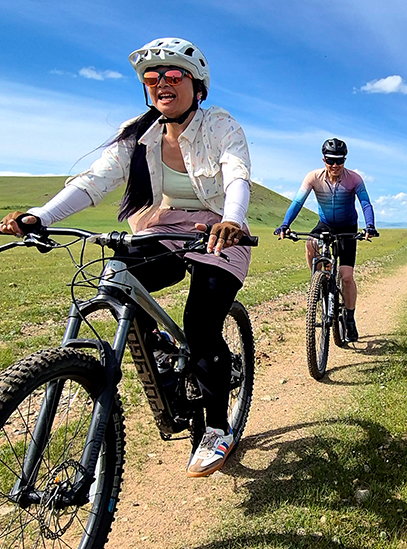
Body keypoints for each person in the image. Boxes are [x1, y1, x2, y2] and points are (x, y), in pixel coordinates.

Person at [0, 37, 253, 477]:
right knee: (117, 275)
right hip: (165, 225)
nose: (162, 84)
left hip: (218, 234)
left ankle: (216, 427)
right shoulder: (137, 132)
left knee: (200, 322)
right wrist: (39, 216)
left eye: (174, 76)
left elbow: (237, 175)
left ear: (198, 86)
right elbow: (94, 181)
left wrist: (231, 219)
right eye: (152, 78)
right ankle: (160, 356)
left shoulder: (220, 126)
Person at [274, 138, 378, 342]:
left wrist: (370, 226)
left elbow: (365, 203)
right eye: (331, 160)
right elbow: (297, 201)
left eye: (339, 161)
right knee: (310, 242)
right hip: (326, 224)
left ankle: (349, 318)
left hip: (348, 226)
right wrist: (285, 224)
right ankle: (318, 282)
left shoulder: (354, 179)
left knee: (346, 276)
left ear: (345, 160)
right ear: (324, 159)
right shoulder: (313, 177)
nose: (335, 165)